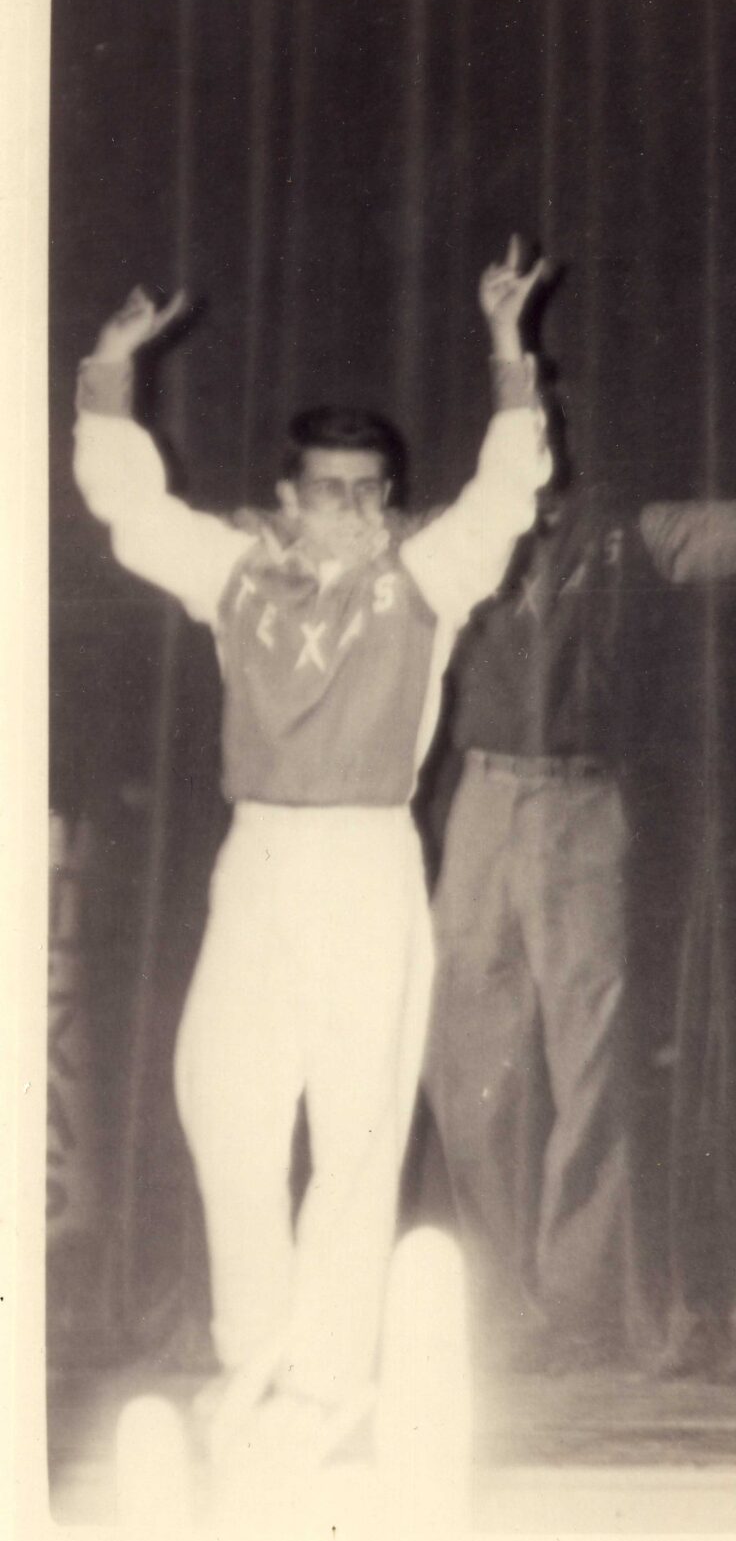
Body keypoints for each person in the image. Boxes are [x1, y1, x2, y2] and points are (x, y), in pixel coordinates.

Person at [69, 245, 552, 1473]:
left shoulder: (424, 580)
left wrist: (507, 347)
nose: (347, 512)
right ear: (284, 498)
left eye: (368, 492)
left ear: (390, 503)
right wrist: (112, 366)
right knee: (223, 1102)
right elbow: (129, 508)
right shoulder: (234, 577)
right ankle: (259, 1353)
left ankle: (331, 1377)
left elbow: (503, 496)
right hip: (259, 859)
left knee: (354, 1121)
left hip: (363, 861)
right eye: (325, 490)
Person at [424, 254, 736, 1373]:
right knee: (468, 1059)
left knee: (594, 1064)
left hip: (581, 809)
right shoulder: (452, 537)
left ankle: (576, 1301)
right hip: (481, 802)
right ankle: (498, 1302)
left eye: (549, 426)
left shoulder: (623, 532)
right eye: (520, 424)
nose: (537, 443)